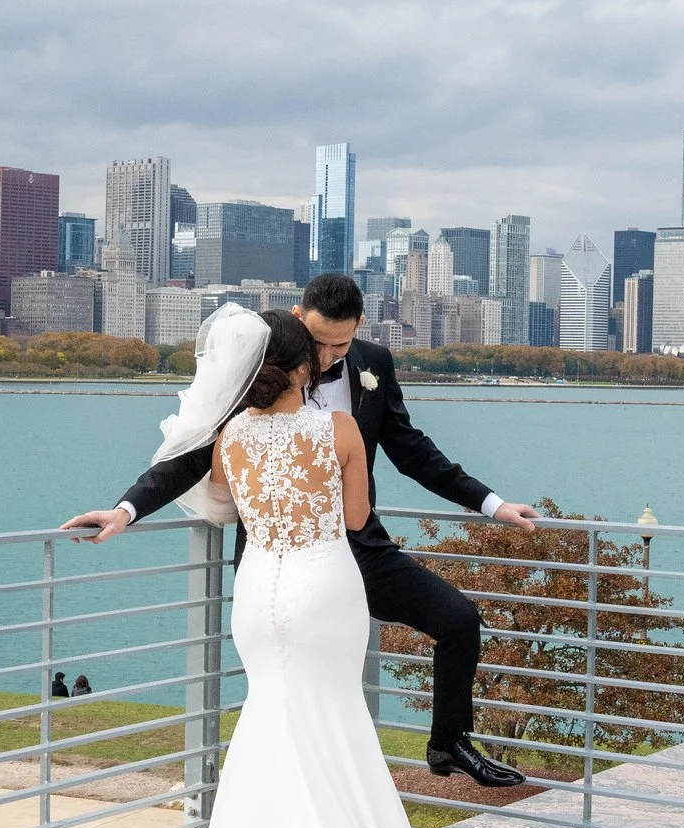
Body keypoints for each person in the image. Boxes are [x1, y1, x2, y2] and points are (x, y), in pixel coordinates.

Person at [1, 309, 684, 828]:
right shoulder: (339, 428)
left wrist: (122, 515)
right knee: (334, 726)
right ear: (301, 360)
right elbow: (352, 520)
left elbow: (202, 481)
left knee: (272, 727)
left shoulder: (230, 437)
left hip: (258, 597)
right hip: (322, 588)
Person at [65, 273, 534, 787]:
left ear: (359, 328)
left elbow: (412, 451)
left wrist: (491, 503)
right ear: (295, 320)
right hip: (280, 567)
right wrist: (125, 510)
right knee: (293, 694)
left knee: (459, 620)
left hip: (359, 550)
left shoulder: (374, 364)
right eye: (320, 343)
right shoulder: (256, 369)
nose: (331, 356)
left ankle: (449, 742)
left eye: (344, 343)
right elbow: (193, 456)